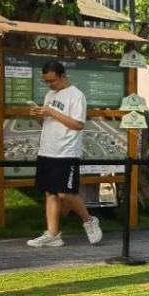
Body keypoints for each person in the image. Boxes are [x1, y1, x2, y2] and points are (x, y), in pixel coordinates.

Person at [26, 61, 103, 247]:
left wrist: (51, 111)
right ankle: (53, 234)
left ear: (63, 76)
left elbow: (78, 124)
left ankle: (89, 221)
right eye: (46, 81)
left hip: (66, 152)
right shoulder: (49, 95)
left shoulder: (77, 96)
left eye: (52, 80)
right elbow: (45, 123)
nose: (49, 84)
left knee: (65, 193)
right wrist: (38, 114)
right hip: (47, 150)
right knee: (50, 193)